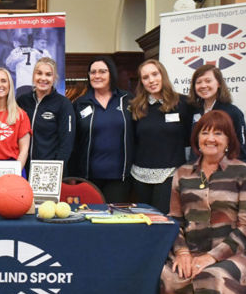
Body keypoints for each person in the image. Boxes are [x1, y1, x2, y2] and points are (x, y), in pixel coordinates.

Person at [159, 110, 246, 294]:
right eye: (205, 132)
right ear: (197, 138)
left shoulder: (243, 173)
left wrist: (210, 257)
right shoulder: (182, 173)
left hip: (235, 252)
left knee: (209, 276)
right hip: (191, 248)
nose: (211, 138)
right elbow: (175, 219)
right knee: (171, 277)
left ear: (229, 140)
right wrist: (182, 252)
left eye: (218, 133)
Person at [130, 59, 191, 214]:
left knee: (162, 220)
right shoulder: (136, 107)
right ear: (141, 82)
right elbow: (133, 141)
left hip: (170, 173)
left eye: (155, 74)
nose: (151, 80)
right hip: (140, 175)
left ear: (162, 74)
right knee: (144, 222)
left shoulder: (183, 103)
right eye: (145, 77)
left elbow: (190, 139)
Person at [69, 56, 134, 202]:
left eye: (102, 71)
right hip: (88, 178)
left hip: (120, 177)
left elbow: (139, 134)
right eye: (93, 72)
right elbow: (74, 142)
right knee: (90, 220)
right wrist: (73, 176)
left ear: (111, 74)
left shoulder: (127, 100)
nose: (97, 76)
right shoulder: (80, 103)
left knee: (114, 221)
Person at [16, 57, 75, 173]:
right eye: (39, 73)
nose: (43, 78)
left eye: (48, 74)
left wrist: (56, 170)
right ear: (33, 76)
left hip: (50, 170)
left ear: (54, 78)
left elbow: (66, 143)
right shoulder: (22, 101)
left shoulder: (63, 104)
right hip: (24, 168)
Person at [187, 64, 246, 162]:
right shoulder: (193, 110)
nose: (203, 85)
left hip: (223, 172)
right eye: (198, 82)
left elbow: (241, 148)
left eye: (208, 81)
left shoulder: (233, 112)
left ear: (219, 83)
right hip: (197, 170)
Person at [5, 29, 52, 95]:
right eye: (42, 42)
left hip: (22, 84)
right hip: (34, 85)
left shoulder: (17, 51)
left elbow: (8, 64)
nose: (44, 45)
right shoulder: (36, 52)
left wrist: (15, 62)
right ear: (34, 42)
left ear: (17, 43)